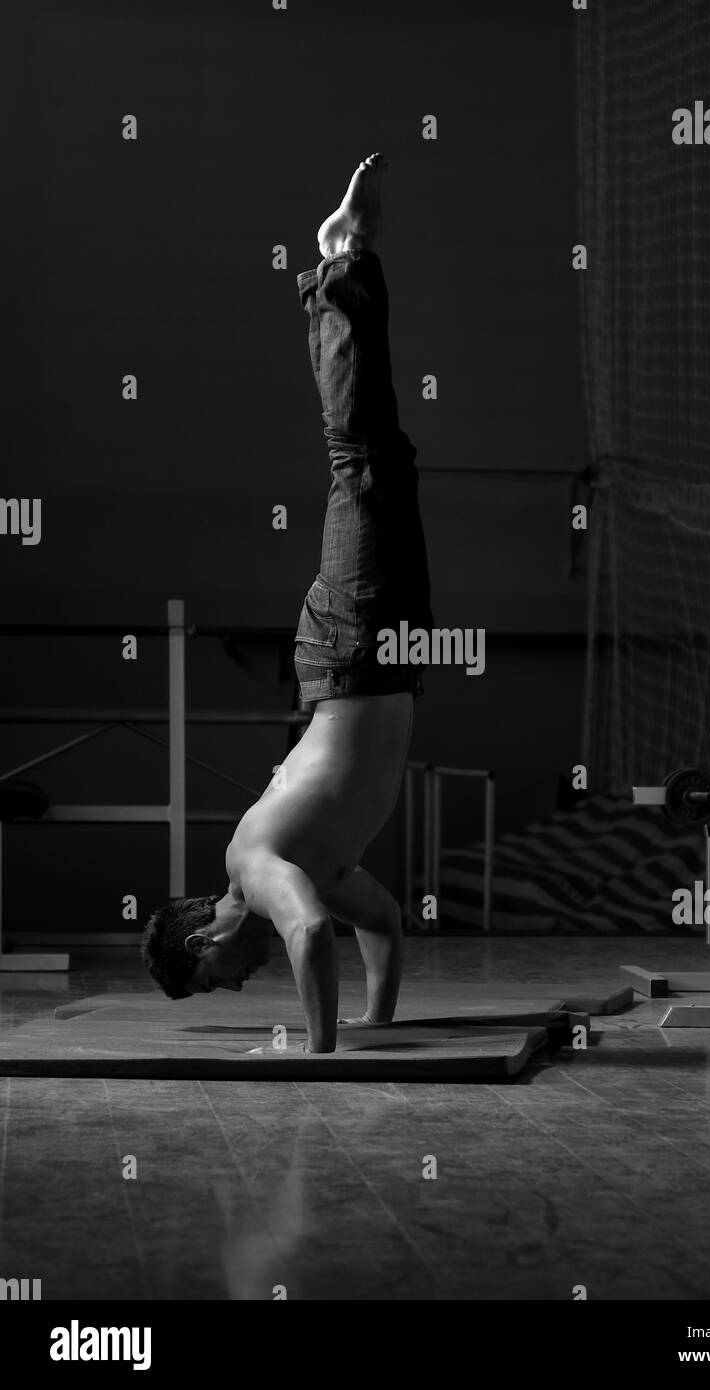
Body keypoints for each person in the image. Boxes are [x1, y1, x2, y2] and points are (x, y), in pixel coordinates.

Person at [141, 153, 433, 1053]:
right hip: (378, 661)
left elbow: (308, 934)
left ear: (204, 940)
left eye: (217, 980)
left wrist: (321, 1056)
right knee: (384, 463)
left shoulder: (253, 868)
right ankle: (334, 271)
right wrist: (372, 1031)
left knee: (363, 463)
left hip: (351, 655)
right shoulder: (311, 868)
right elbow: (380, 921)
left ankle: (338, 261)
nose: (241, 982)